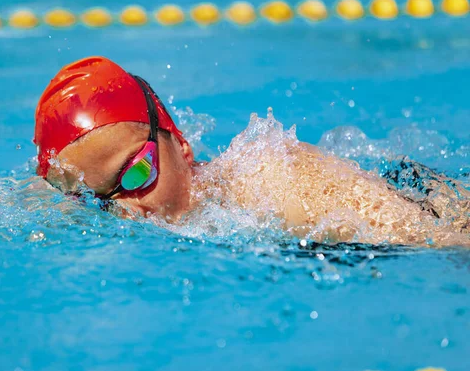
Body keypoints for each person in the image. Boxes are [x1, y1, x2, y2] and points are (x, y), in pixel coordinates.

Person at [35, 56, 469, 247]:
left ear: (181, 145)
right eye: (99, 203)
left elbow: (443, 238)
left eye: (136, 175)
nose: (130, 212)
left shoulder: (280, 182)